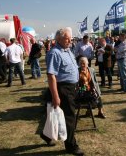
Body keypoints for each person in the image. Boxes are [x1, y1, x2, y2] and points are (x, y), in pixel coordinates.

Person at [40, 27, 84, 156]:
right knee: (70, 117)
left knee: (60, 115)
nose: (70, 40)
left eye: (70, 37)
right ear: (58, 39)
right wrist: (55, 96)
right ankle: (71, 146)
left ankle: (46, 135)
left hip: (71, 88)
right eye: (67, 38)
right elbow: (51, 76)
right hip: (62, 88)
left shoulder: (68, 50)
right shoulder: (55, 53)